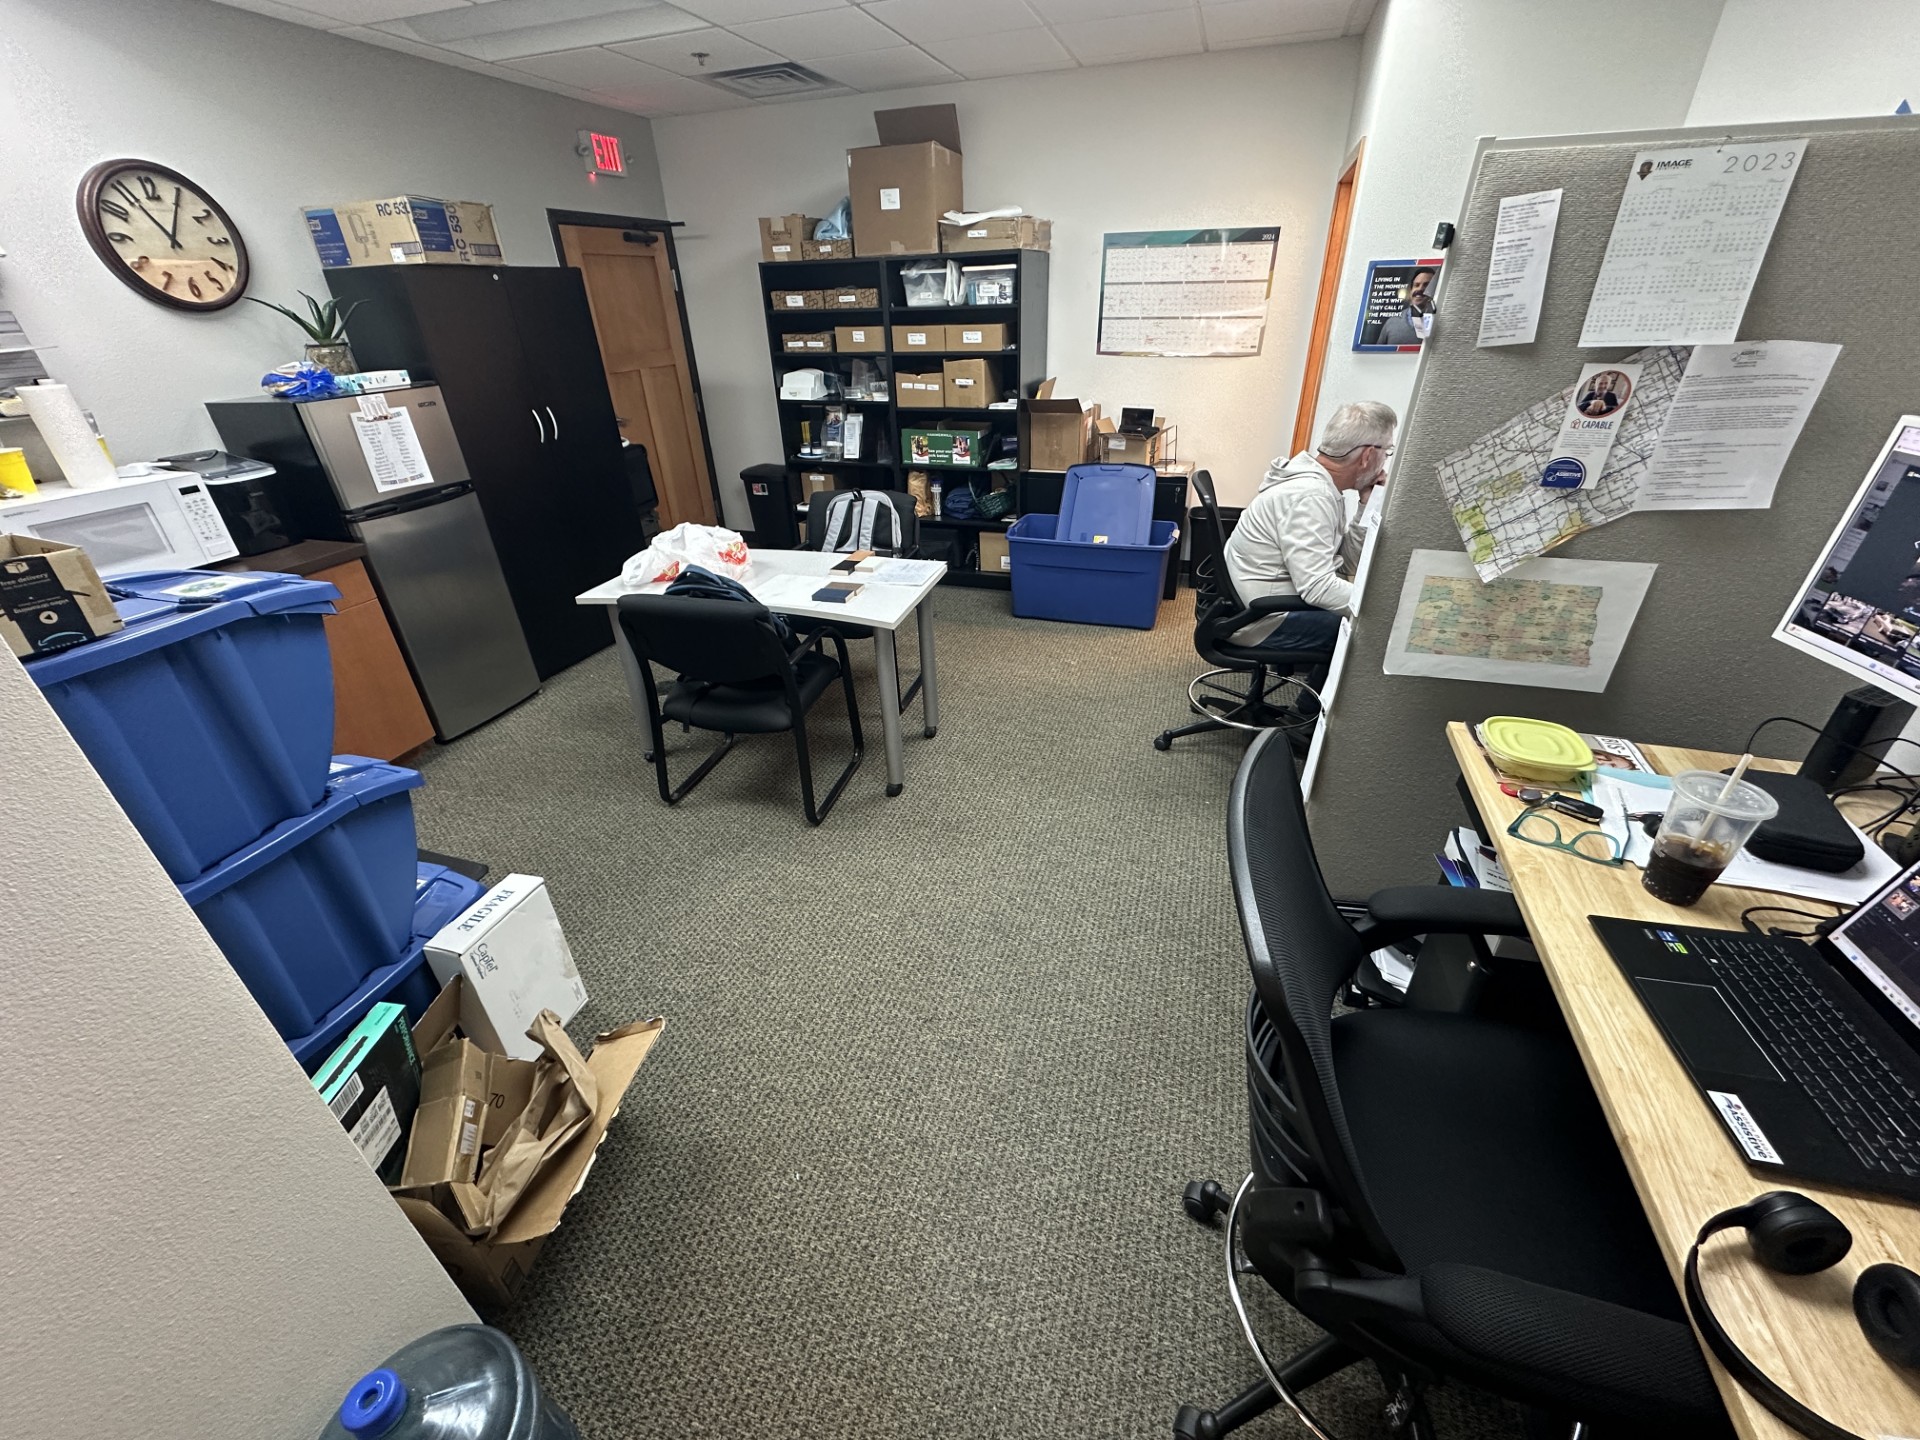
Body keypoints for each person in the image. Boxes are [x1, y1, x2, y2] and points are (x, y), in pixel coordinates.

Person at [1222, 402, 1397, 680]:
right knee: (1366, 636)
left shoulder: (1319, 483)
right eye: (1386, 452)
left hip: (1260, 597)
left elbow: (1346, 562)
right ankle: (1308, 719)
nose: (1385, 462)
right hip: (1262, 618)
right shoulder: (1310, 498)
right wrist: (1386, 609)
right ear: (1366, 456)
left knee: (1361, 617)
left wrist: (1367, 504)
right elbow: (1318, 589)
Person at [1378, 268, 1435, 345]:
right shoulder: (1392, 322)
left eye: (1426, 285)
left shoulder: (1443, 320)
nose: (1420, 289)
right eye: (1416, 285)